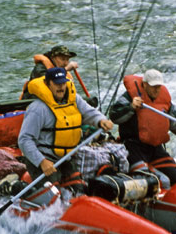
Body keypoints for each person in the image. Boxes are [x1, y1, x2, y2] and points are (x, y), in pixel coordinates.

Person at [18, 66, 113, 197]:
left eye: (63, 83)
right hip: (43, 160)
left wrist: (100, 120)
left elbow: (89, 112)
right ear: (47, 84)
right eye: (56, 84)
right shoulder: (38, 109)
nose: (61, 87)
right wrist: (41, 161)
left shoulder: (74, 99)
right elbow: (24, 140)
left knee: (80, 191)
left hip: (65, 159)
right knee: (54, 196)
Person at [108, 69, 176, 186]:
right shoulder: (129, 97)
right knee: (147, 179)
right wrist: (131, 108)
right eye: (153, 86)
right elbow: (114, 116)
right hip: (133, 147)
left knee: (175, 175)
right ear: (145, 84)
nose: (157, 89)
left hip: (155, 148)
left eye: (159, 86)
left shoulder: (164, 101)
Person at [20, 45, 97, 106]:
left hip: (56, 101)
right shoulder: (40, 68)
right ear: (53, 58)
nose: (66, 63)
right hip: (35, 101)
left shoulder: (61, 70)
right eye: (63, 59)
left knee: (89, 103)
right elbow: (48, 83)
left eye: (67, 60)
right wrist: (66, 69)